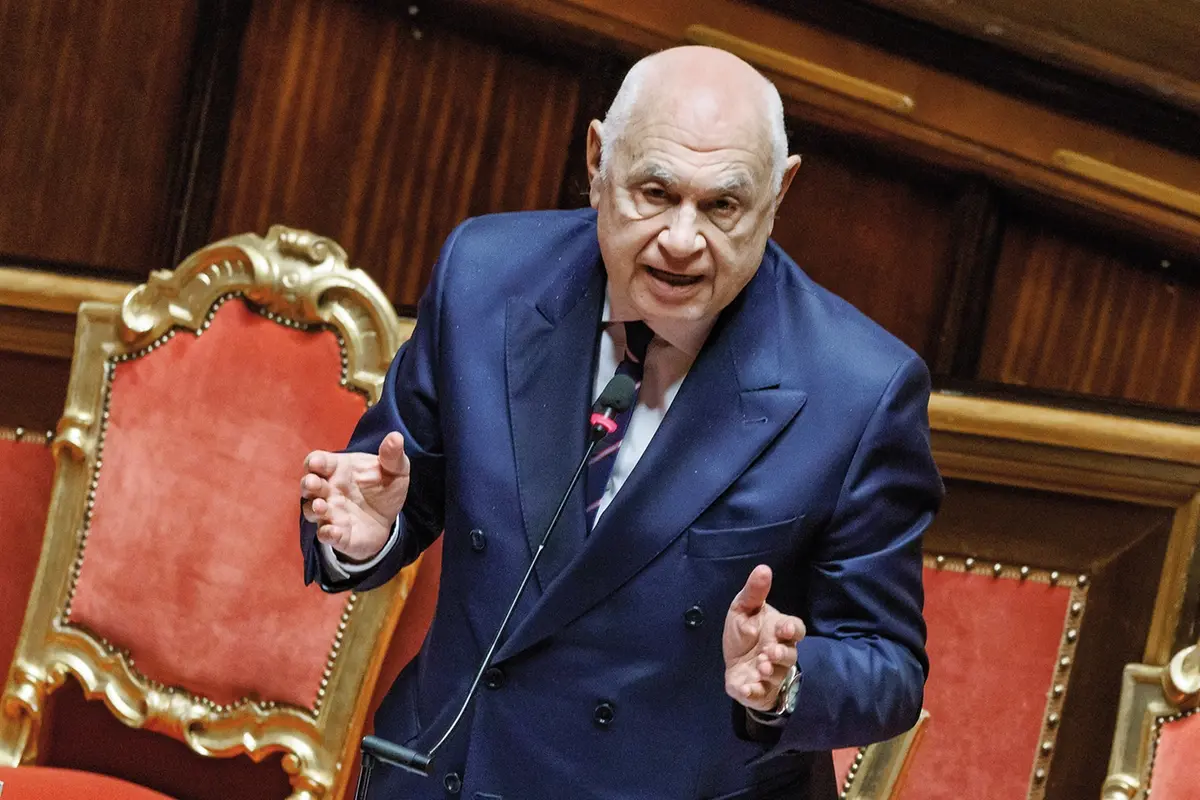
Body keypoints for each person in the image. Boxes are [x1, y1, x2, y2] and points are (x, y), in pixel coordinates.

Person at [300, 45, 942, 800]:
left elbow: (888, 665)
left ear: (781, 191)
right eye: (655, 192)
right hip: (458, 772)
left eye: (722, 206)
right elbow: (393, 484)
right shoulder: (487, 274)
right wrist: (372, 534)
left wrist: (787, 681)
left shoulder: (859, 388)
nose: (681, 239)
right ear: (598, 159)